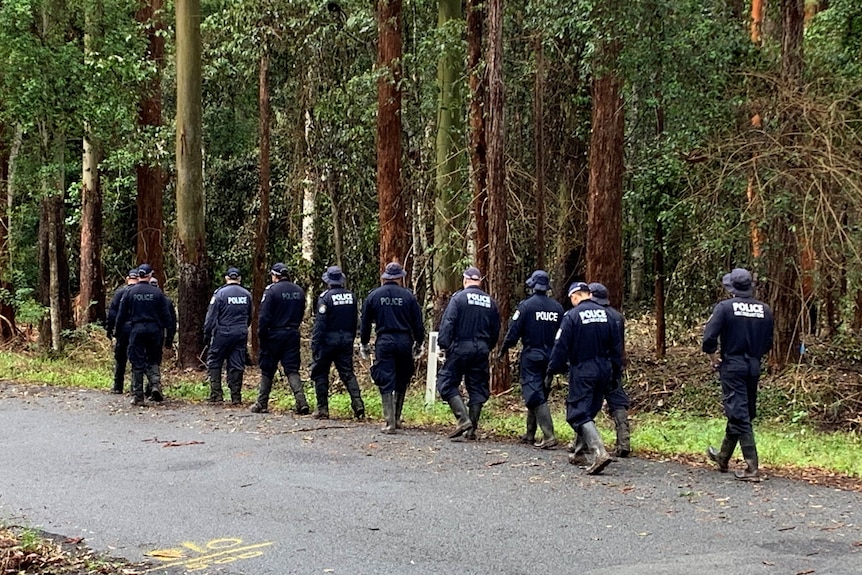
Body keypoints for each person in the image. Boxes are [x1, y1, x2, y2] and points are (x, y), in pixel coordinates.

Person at [703, 268, 773, 481]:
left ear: (731, 288)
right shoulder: (765, 309)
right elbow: (768, 343)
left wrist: (714, 358)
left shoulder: (725, 308)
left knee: (739, 412)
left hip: (732, 364)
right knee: (744, 411)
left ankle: (752, 468)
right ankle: (723, 457)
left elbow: (708, 339)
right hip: (753, 365)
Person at [547, 282, 621, 475]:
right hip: (605, 369)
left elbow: (561, 345)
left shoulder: (572, 316)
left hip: (583, 369)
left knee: (577, 413)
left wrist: (554, 368)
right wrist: (615, 373)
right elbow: (617, 348)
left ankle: (599, 452)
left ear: (574, 297)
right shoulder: (608, 315)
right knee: (588, 411)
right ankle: (579, 453)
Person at [498, 270, 563, 448]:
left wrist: (503, 349)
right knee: (540, 392)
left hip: (532, 357)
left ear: (533, 285)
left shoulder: (526, 306)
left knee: (534, 394)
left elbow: (513, 331)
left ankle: (549, 435)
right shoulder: (557, 308)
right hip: (551, 358)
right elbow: (563, 335)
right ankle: (529, 434)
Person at [359, 261, 424, 434]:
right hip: (404, 340)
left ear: (386, 277)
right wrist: (419, 342)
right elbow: (418, 323)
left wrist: (364, 343)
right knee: (402, 377)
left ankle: (389, 422)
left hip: (384, 340)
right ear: (400, 278)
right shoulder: (408, 296)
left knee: (385, 377)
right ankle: (396, 417)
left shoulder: (374, 296)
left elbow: (365, 323)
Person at [436, 266, 501, 440]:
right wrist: (488, 346)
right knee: (478, 388)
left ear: (465, 281)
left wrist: (444, 345)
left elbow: (448, 322)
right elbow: (496, 329)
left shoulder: (458, 299)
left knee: (446, 383)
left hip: (460, 348)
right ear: (479, 282)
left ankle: (463, 419)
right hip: (481, 349)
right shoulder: (490, 302)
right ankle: (471, 430)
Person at [251, 263, 308, 414]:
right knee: (292, 369)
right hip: (292, 334)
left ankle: (262, 403)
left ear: (275, 276)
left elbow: (264, 316)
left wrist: (262, 335)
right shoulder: (299, 291)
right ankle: (301, 402)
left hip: (273, 335)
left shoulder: (271, 291)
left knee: (268, 369)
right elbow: (301, 312)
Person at [114, 264, 175, 406]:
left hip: (137, 330)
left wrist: (117, 332)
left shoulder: (129, 292)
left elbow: (121, 315)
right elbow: (167, 316)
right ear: (149, 276)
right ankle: (154, 385)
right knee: (153, 360)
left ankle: (138, 396)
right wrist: (168, 334)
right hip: (154, 331)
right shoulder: (158, 293)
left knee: (137, 362)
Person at [310, 266, 365, 419]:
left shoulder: (325, 298)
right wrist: (351, 338)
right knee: (347, 373)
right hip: (345, 340)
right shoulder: (351, 297)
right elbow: (355, 321)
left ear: (328, 281)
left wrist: (315, 344)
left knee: (320, 373)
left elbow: (320, 324)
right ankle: (358, 404)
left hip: (327, 342)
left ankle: (322, 409)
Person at [203, 267, 252, 405]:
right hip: (240, 333)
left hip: (222, 333)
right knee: (237, 363)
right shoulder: (246, 294)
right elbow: (249, 316)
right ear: (239, 279)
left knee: (214, 361)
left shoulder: (220, 294)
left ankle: (216, 394)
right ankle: (236, 397)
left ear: (226, 278)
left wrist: (207, 334)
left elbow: (211, 317)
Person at [106, 269, 139, 394]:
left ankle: (117, 386)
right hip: (136, 330)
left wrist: (111, 329)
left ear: (127, 279)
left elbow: (113, 313)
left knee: (120, 359)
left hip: (123, 330)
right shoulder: (139, 293)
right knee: (136, 359)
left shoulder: (120, 293)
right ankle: (135, 388)